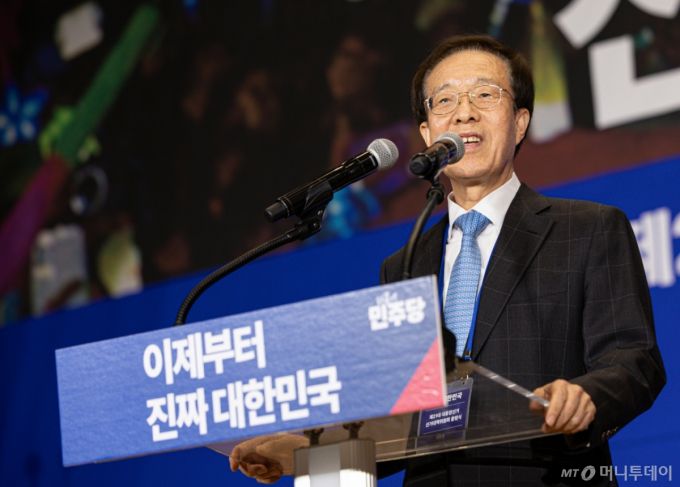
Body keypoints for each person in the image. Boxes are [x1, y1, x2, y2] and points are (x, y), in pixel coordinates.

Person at [229, 34, 665, 486]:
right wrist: (306, 451)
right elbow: (403, 426)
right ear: (426, 134)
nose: (464, 112)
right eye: (445, 100)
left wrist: (584, 397)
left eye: (484, 95)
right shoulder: (403, 265)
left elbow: (634, 362)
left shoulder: (587, 229)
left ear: (520, 123)